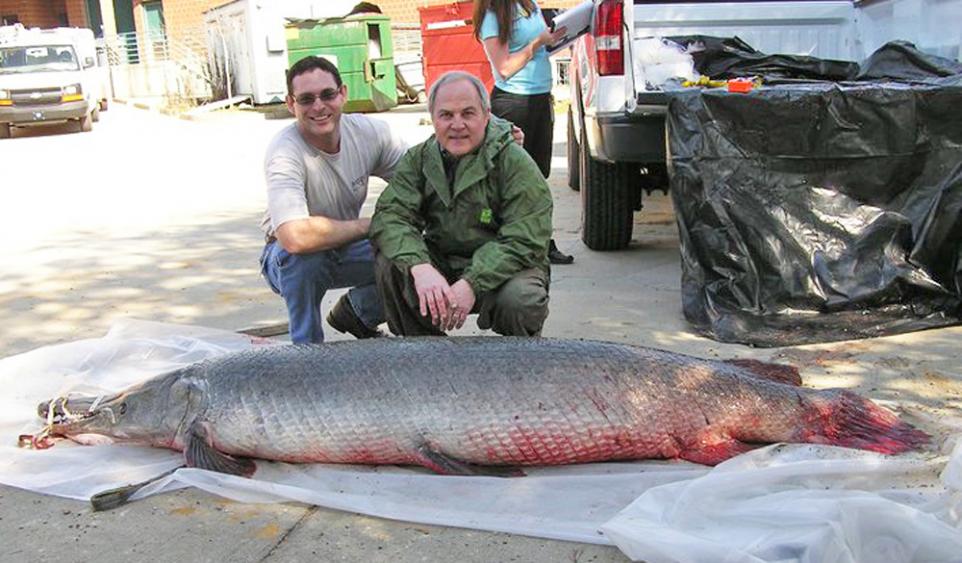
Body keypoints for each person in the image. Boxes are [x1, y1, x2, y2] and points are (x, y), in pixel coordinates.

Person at [370, 71, 552, 337]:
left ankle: (518, 367)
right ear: (432, 118)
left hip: (505, 271)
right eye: (446, 115)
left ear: (486, 115)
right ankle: (423, 355)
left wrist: (472, 282)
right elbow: (390, 216)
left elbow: (525, 239)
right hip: (443, 262)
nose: (457, 124)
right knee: (391, 263)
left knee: (520, 299)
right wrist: (420, 267)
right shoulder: (418, 159)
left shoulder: (514, 162)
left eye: (468, 113)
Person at [259, 55, 406, 344]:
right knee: (303, 257)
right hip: (285, 259)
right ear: (291, 104)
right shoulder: (284, 151)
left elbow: (425, 175)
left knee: (415, 251)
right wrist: (373, 225)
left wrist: (491, 141)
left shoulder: (369, 133)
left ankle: (358, 313)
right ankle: (306, 350)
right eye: (306, 99)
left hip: (346, 248)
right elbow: (293, 237)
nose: (318, 106)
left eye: (327, 94)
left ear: (343, 94)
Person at [473, 0, 574, 265]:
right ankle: (506, 242)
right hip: (513, 103)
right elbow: (504, 69)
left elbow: (541, 44)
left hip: (540, 98)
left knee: (539, 176)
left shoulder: (529, 5)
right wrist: (537, 43)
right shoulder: (493, 15)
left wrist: (557, 37)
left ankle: (541, 242)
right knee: (510, 179)